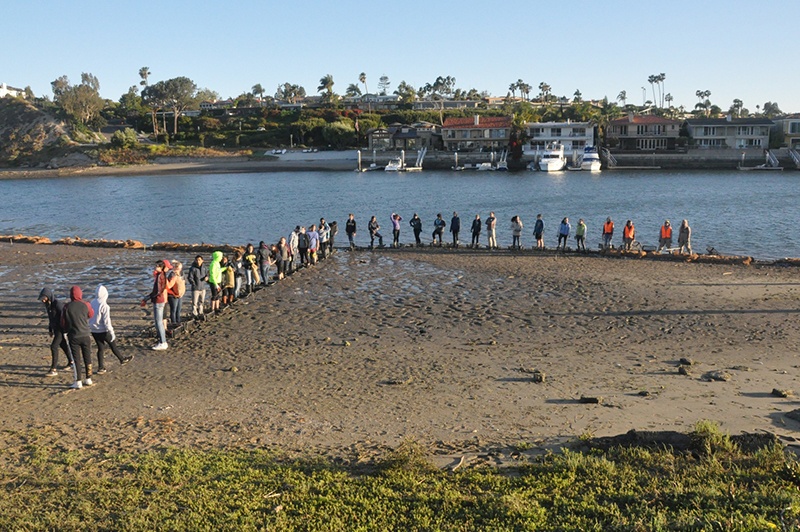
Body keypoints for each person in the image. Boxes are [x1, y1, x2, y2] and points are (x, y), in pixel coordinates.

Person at [90, 285, 132, 373]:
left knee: (100, 348)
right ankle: (122, 359)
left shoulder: (92, 302)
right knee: (113, 345)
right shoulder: (104, 306)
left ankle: (101, 367)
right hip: (103, 330)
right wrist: (111, 332)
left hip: (94, 330)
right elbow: (107, 321)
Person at [62, 286, 95, 388]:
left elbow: (63, 322)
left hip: (74, 336)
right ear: (80, 294)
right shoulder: (86, 304)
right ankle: (88, 378)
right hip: (86, 334)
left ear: (71, 294)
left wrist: (66, 330)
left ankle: (78, 381)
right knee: (87, 357)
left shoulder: (67, 307)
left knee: (76, 359)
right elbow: (91, 315)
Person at [38, 287, 73, 376]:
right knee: (63, 345)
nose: (43, 300)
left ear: (48, 296)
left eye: (44, 298)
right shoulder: (47, 305)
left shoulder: (57, 304)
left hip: (61, 329)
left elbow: (64, 316)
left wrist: (66, 329)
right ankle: (71, 362)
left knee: (53, 346)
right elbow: (51, 318)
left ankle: (53, 369)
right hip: (55, 329)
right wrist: (50, 329)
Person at [144, 260, 170, 350]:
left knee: (159, 322)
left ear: (161, 267)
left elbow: (158, 291)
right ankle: (161, 341)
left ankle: (163, 342)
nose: (156, 267)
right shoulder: (162, 275)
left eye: (157, 266)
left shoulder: (160, 276)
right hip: (161, 300)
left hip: (159, 300)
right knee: (158, 321)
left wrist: (147, 298)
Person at [187, 255, 209, 320]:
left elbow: (207, 274)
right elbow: (190, 278)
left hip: (203, 287)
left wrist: (207, 278)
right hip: (195, 288)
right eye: (196, 260)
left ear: (202, 261)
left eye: (199, 260)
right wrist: (194, 284)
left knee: (201, 301)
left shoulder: (204, 267)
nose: (198, 261)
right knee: (194, 302)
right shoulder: (192, 268)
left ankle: (201, 312)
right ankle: (195, 314)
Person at [167, 260, 186, 325]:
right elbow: (168, 286)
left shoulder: (182, 273)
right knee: (173, 310)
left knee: (179, 309)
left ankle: (178, 321)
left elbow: (183, 284)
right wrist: (173, 293)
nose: (179, 270)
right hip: (172, 295)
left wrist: (181, 293)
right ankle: (173, 322)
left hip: (180, 294)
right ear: (174, 268)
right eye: (178, 268)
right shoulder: (172, 274)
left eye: (180, 268)